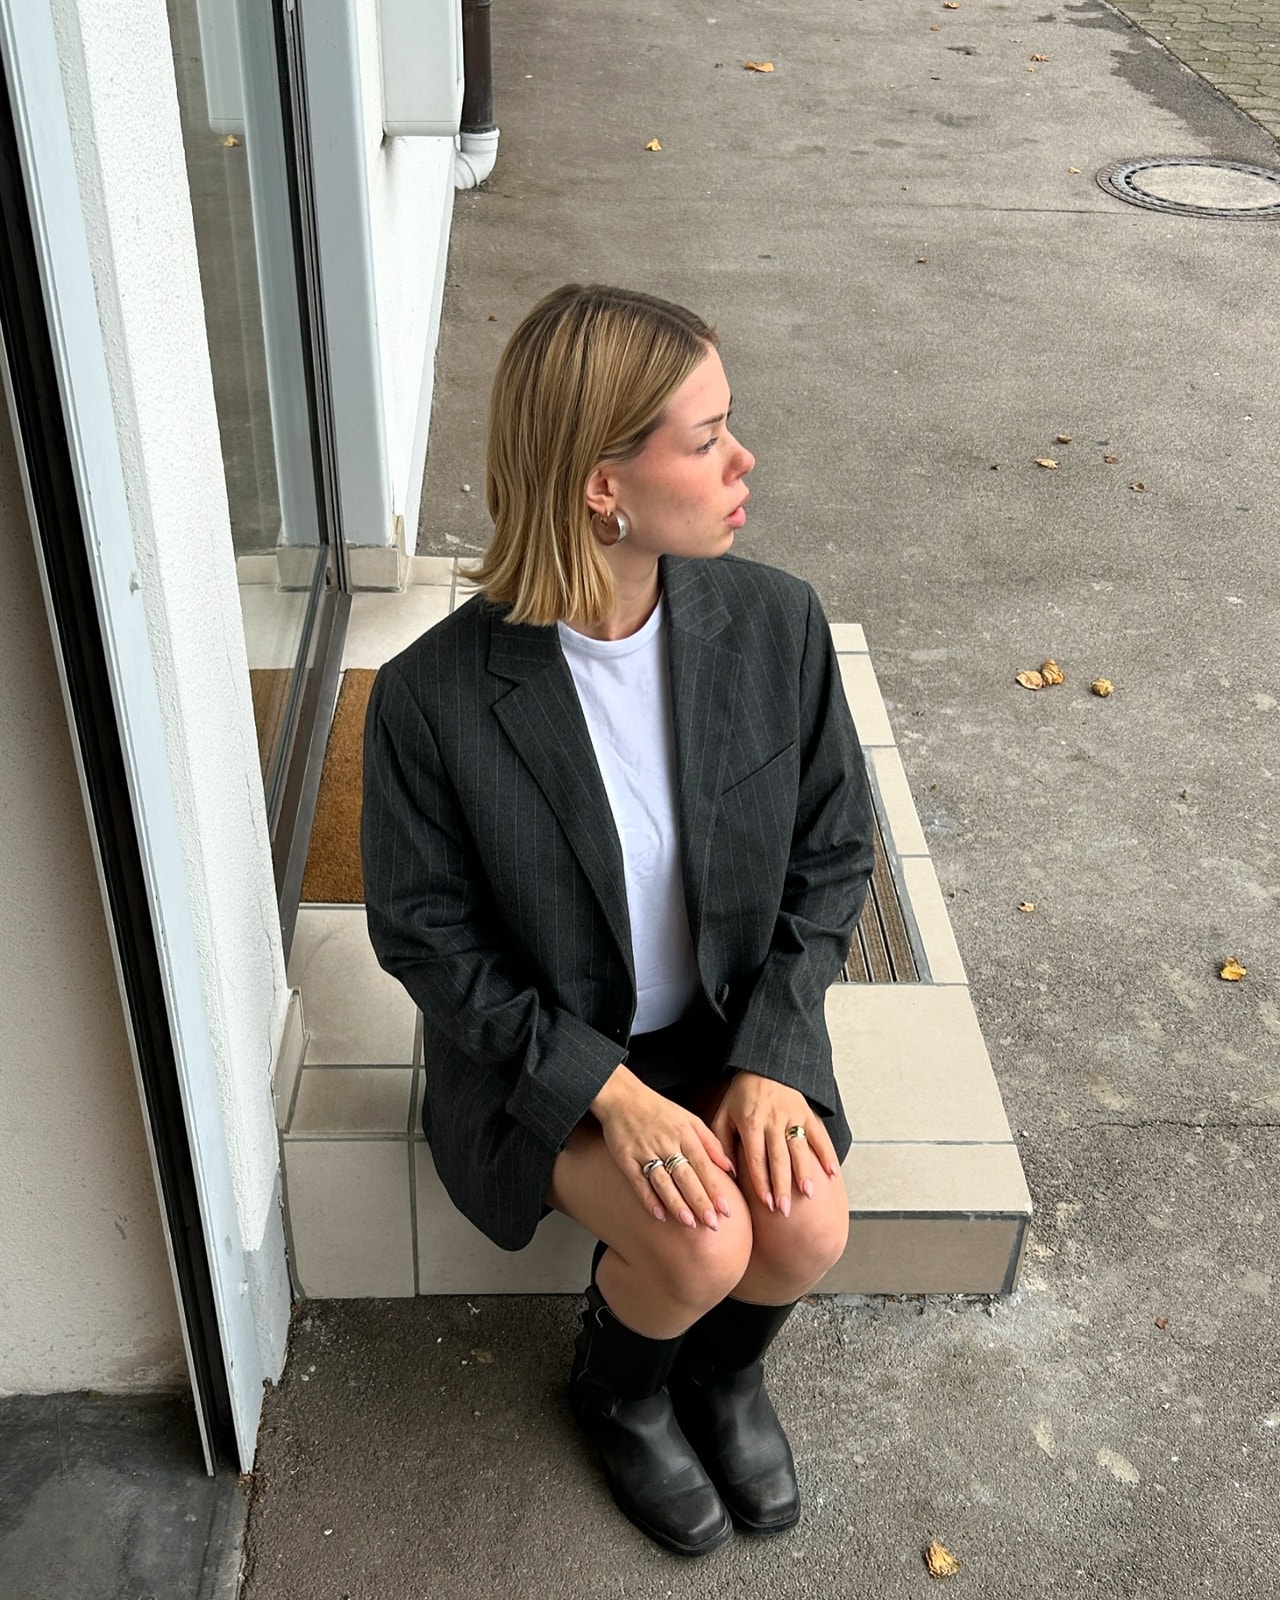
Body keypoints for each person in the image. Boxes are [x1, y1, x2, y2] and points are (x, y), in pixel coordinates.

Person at [362, 284, 874, 1557]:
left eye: (727, 426)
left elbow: (830, 853)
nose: (743, 461)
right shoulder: (431, 699)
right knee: (701, 1244)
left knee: (805, 1223)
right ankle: (619, 1389)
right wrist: (607, 1090)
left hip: (723, 1024)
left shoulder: (774, 623)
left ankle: (721, 1376)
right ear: (604, 487)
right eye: (706, 439)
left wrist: (769, 1051)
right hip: (544, 1055)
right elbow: (427, 939)